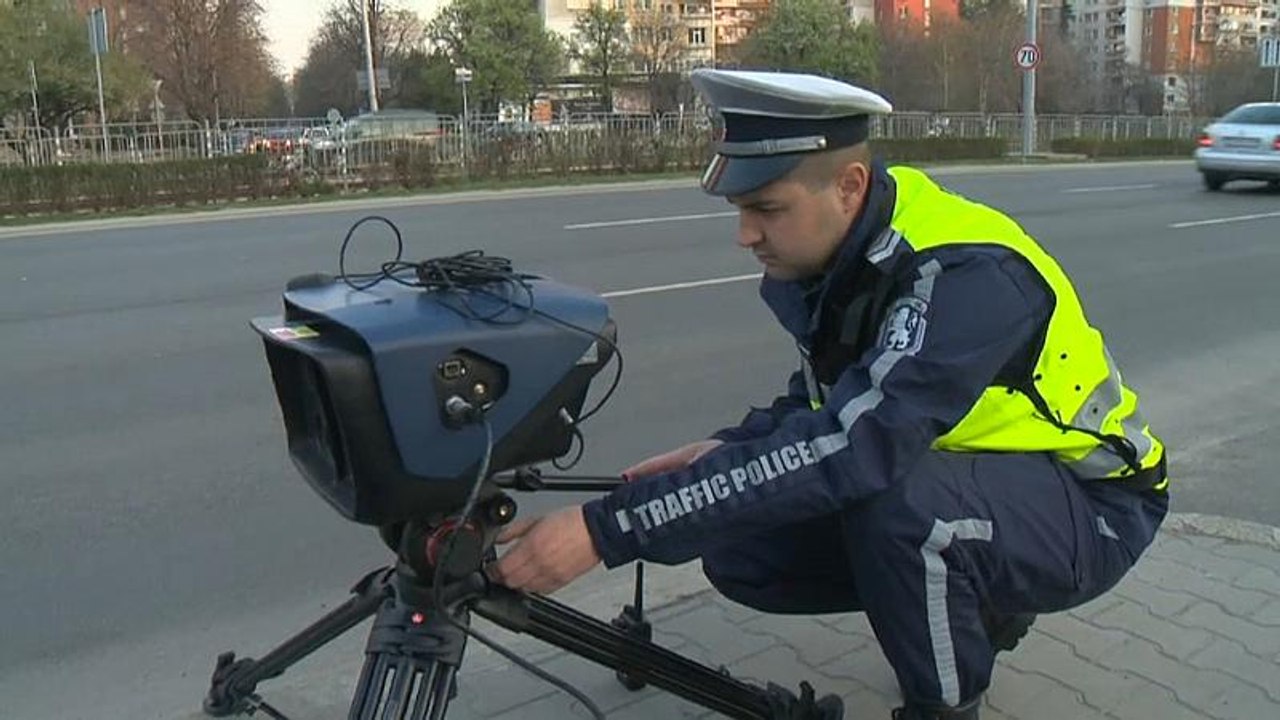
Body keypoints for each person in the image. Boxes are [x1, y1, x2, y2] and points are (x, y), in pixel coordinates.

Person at [487, 69, 1169, 720]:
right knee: (739, 546)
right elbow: (827, 407)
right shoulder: (850, 258)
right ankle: (972, 592)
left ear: (848, 186)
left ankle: (946, 702)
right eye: (740, 209)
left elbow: (854, 447)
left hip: (1094, 503)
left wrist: (609, 529)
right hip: (981, 479)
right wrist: (730, 448)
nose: (744, 234)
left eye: (766, 209)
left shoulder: (966, 273)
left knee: (901, 508)